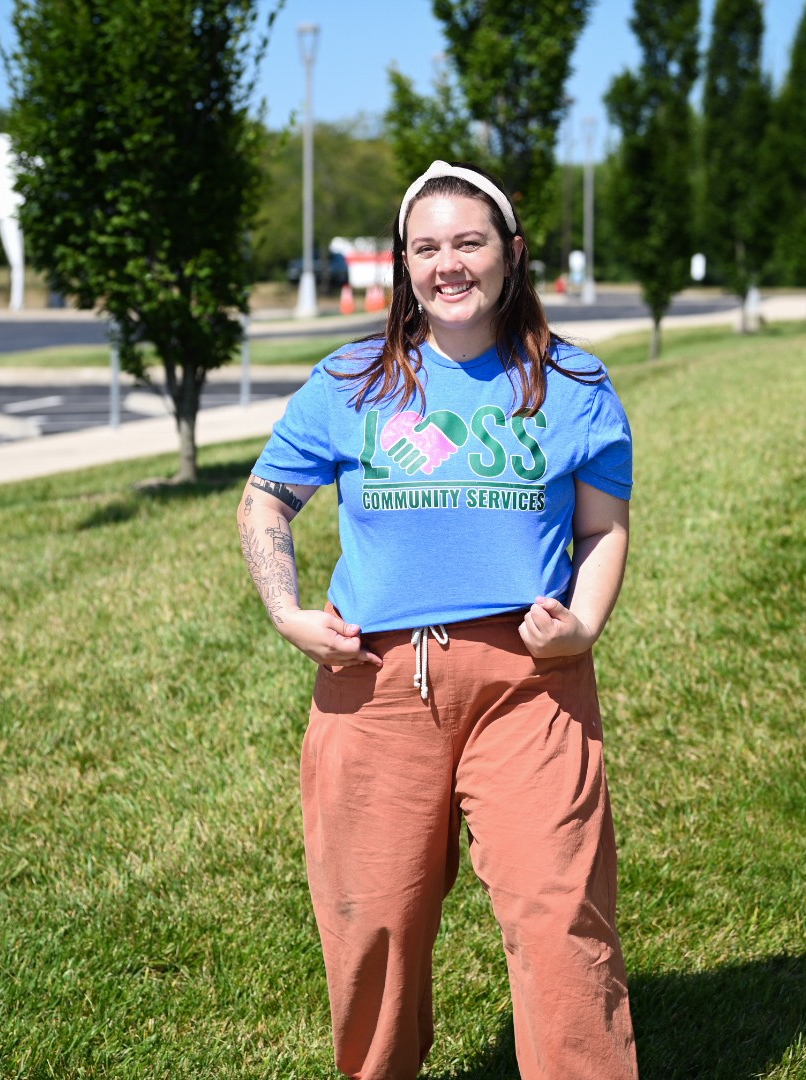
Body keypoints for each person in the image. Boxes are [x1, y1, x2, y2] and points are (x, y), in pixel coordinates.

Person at [236, 159, 638, 1080]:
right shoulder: (350, 380)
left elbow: (603, 528)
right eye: (425, 248)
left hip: (529, 685)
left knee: (558, 913)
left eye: (468, 243)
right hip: (375, 686)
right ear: (404, 263)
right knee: (374, 922)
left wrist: (582, 626)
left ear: (512, 254)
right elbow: (265, 501)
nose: (447, 264)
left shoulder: (574, 383)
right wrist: (286, 612)